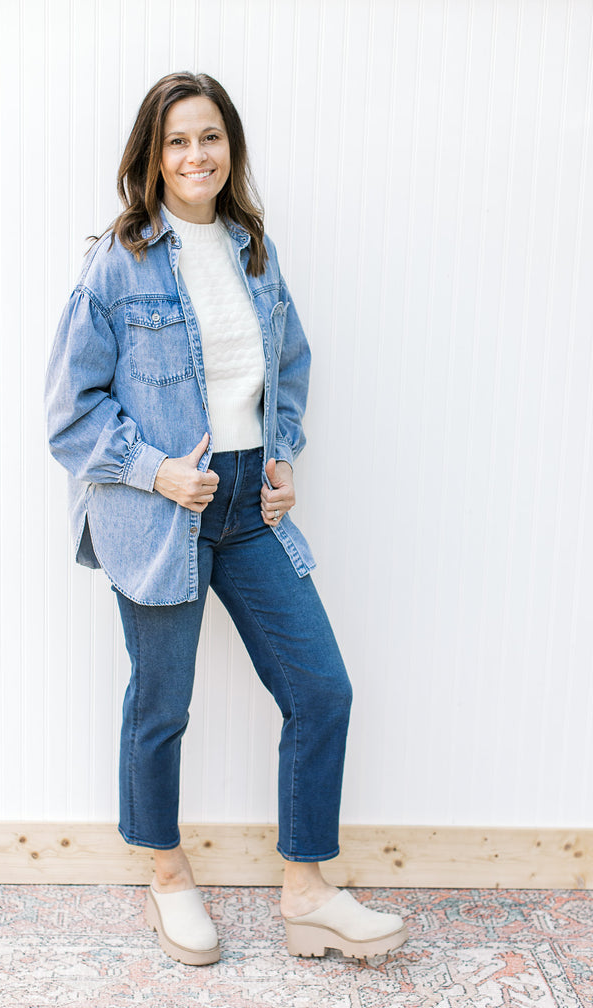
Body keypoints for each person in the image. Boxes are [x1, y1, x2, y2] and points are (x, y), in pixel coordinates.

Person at [45, 71, 408, 966]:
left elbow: (287, 363)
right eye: (176, 141)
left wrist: (281, 453)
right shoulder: (117, 261)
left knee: (321, 690)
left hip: (250, 507)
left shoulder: (253, 247)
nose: (195, 155)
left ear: (230, 148)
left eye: (209, 137)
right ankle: (167, 876)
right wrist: (155, 471)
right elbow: (70, 412)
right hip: (161, 511)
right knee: (162, 705)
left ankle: (307, 892)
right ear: (151, 157)